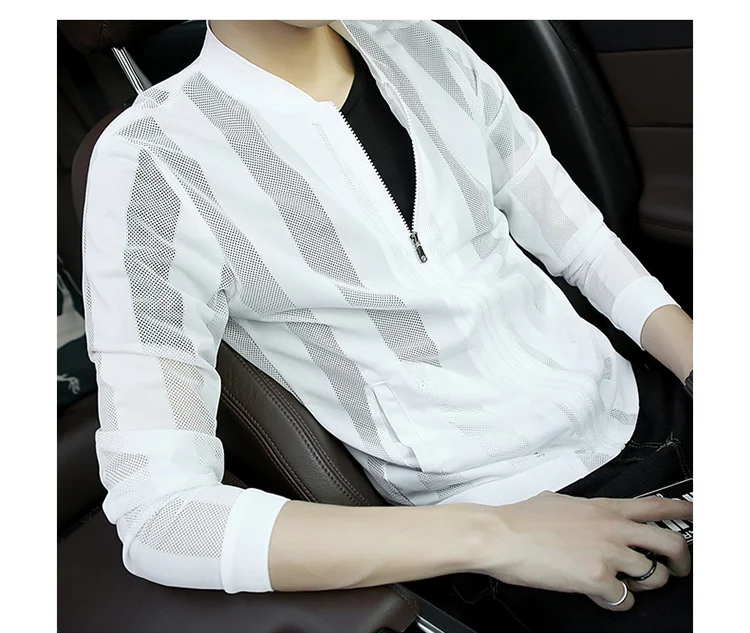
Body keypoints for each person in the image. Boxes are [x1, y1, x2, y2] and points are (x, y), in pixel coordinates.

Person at [81, 20, 693, 632]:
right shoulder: (150, 162)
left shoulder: (429, 48)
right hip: (506, 512)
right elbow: (162, 516)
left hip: (643, 403)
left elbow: (581, 242)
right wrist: (494, 536)